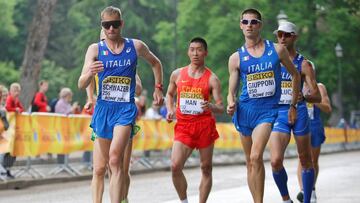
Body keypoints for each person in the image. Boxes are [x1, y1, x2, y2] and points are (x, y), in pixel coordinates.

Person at [78, 6, 163, 203]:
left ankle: (120, 199)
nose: (111, 29)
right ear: (102, 27)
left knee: (116, 161)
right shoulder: (94, 50)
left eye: (115, 24)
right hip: (103, 110)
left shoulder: (135, 47)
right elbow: (81, 83)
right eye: (106, 25)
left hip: (125, 110)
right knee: (100, 167)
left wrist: (158, 88)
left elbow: (156, 63)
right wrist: (90, 72)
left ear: (121, 24)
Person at [226, 9, 300, 203]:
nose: (249, 25)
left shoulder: (277, 50)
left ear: (260, 25)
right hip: (245, 112)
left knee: (256, 156)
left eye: (254, 21)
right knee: (250, 162)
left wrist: (293, 105)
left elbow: (295, 75)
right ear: (241, 26)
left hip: (267, 112)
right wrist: (230, 101)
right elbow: (231, 88)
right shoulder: (236, 58)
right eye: (245, 21)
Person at [84, 29, 144, 203]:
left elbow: (138, 88)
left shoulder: (126, 63)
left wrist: (127, 81)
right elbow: (88, 82)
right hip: (103, 116)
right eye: (104, 40)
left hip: (122, 116)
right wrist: (89, 99)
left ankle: (123, 198)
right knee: (99, 168)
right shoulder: (96, 59)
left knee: (121, 167)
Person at [166, 37, 224, 203]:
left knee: (206, 168)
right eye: (192, 49)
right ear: (188, 52)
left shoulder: (212, 79)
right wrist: (170, 110)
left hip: (204, 126)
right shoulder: (177, 74)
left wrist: (211, 106)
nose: (195, 53)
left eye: (199, 49)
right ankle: (184, 200)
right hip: (184, 126)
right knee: (175, 166)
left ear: (205, 52)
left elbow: (221, 107)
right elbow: (169, 94)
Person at [270, 21, 321, 203]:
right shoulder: (272, 61)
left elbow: (317, 96)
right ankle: (286, 200)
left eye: (287, 35)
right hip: (279, 113)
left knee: (306, 160)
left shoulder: (304, 64)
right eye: (279, 35)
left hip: (299, 112)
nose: (282, 38)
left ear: (294, 37)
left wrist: (304, 97)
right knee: (275, 161)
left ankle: (307, 200)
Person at [296, 79, 332, 202]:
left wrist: (313, 100)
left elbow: (328, 108)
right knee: (303, 158)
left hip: (315, 125)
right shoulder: (296, 85)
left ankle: (311, 189)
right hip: (301, 124)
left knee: (313, 160)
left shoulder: (319, 87)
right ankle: (303, 190)